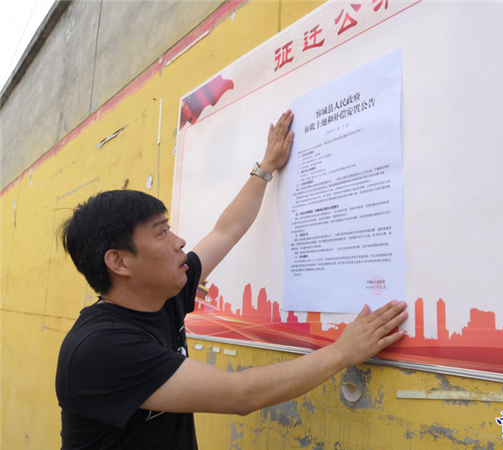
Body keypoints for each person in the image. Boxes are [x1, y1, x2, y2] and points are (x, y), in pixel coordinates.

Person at [55, 110, 409, 449]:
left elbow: (227, 230)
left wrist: (266, 167)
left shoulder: (162, 296)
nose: (179, 241)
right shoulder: (100, 348)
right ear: (119, 262)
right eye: (161, 232)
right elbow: (242, 395)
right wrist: (342, 352)